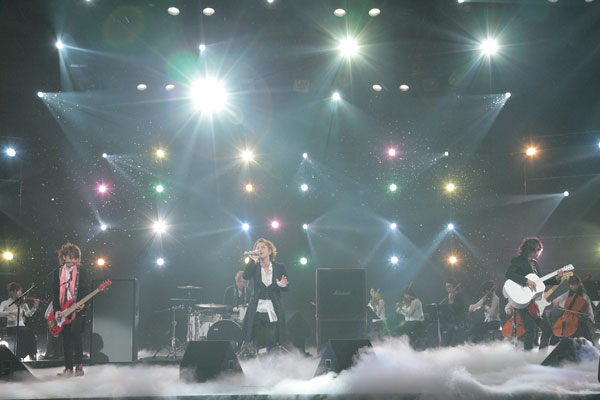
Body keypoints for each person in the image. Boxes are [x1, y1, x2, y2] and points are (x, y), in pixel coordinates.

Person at [505, 237, 562, 350]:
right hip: (522, 299)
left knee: (547, 330)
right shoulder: (518, 261)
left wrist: (557, 279)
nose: (539, 253)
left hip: (535, 302)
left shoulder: (535, 264)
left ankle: (541, 355)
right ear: (531, 249)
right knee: (530, 329)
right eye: (538, 250)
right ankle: (528, 357)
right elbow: (509, 274)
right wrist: (526, 281)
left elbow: (541, 281)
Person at [241, 238, 288, 355]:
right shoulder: (255, 267)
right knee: (258, 337)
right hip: (257, 308)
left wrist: (281, 285)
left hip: (273, 308)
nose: (259, 249)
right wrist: (251, 260)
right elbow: (245, 276)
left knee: (272, 338)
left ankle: (270, 358)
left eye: (263, 247)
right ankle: (260, 358)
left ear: (270, 251)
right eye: (257, 248)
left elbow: (286, 287)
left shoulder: (279, 267)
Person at [52, 243, 87, 377]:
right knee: (66, 338)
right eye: (70, 257)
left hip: (77, 309)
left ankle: (79, 365)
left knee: (76, 335)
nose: (73, 260)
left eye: (75, 258)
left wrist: (83, 303)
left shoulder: (81, 272)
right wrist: (57, 310)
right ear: (64, 257)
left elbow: (85, 290)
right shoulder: (57, 272)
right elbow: (55, 293)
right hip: (63, 310)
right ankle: (68, 368)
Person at [0, 282, 40, 359]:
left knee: (29, 333)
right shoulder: (5, 303)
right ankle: (23, 354)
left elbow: (28, 314)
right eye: (18, 291)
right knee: (27, 333)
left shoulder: (22, 302)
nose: (20, 293)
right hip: (11, 327)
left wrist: (34, 307)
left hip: (22, 327)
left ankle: (30, 353)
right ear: (12, 292)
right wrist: (10, 313)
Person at [551, 275, 595, 341]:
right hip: (569, 317)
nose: (571, 286)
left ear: (578, 284)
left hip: (583, 319)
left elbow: (588, 312)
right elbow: (560, 298)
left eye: (573, 284)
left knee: (581, 328)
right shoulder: (569, 293)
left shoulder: (584, 296)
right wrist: (556, 301)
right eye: (570, 285)